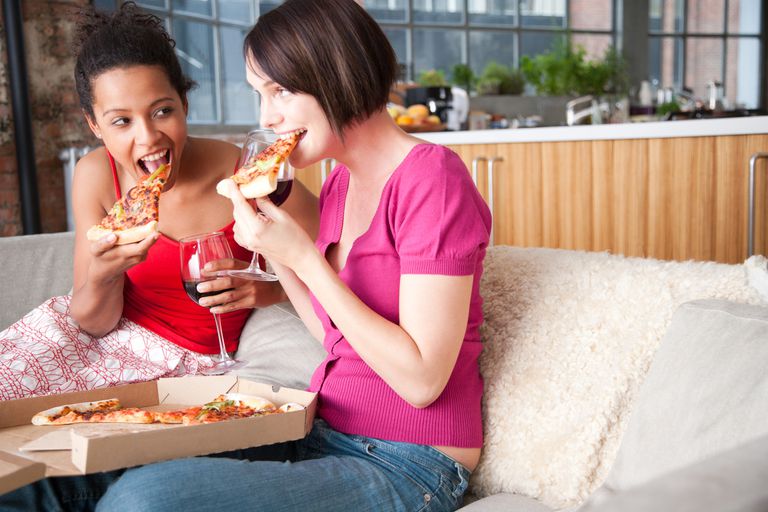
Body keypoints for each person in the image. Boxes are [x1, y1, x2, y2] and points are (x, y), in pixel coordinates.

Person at [0, 0, 490, 510]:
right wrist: (269, 247)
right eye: (261, 94)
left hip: (409, 459)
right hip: (317, 428)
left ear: (336, 74)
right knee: (41, 479)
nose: (266, 118)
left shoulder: (432, 178)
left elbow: (421, 381)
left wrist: (301, 257)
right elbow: (334, 335)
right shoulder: (344, 181)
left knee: (144, 501)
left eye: (280, 91)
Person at [0, 2, 317, 401]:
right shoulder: (96, 175)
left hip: (188, 361)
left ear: (184, 104)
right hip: (95, 342)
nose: (147, 138)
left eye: (162, 111)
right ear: (94, 125)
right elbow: (93, 323)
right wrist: (103, 274)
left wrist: (272, 291)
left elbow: (340, 256)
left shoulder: (242, 169)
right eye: (121, 121)